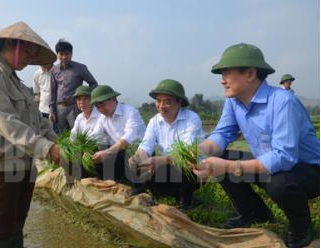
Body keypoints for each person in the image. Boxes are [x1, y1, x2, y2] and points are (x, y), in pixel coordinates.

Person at [191, 43, 319, 248]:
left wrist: (230, 167)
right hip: (273, 164)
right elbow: (223, 133)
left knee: (278, 183)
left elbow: (284, 158)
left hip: (308, 170)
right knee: (220, 157)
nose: (222, 80)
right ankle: (254, 213)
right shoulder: (234, 101)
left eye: (226, 73)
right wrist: (201, 150)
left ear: (250, 74)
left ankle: (301, 228)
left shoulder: (283, 101)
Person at [0, 22, 60, 247]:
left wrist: (60, 144)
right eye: (28, 50)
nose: (30, 57)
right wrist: (48, 149)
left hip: (25, 167)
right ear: (10, 43)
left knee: (16, 228)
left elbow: (39, 122)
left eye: (34, 53)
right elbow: (7, 123)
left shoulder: (17, 82)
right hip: (0, 168)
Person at [129, 79, 205, 208]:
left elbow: (187, 153)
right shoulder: (154, 121)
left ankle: (185, 201)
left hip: (191, 170)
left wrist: (161, 160)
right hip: (168, 169)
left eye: (167, 102)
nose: (161, 106)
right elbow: (147, 144)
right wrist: (139, 157)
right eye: (158, 101)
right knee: (137, 159)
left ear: (179, 102)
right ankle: (144, 189)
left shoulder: (191, 119)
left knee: (186, 163)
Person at [90, 85, 146, 182]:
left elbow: (128, 138)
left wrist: (107, 153)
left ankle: (137, 185)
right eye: (98, 107)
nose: (101, 109)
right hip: (119, 151)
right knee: (97, 153)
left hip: (138, 150)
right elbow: (95, 135)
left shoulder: (130, 112)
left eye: (103, 105)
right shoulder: (102, 118)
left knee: (122, 156)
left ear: (114, 99)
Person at [49, 39, 98, 133]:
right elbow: (53, 91)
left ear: (71, 54)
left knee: (78, 134)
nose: (64, 57)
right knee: (63, 135)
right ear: (57, 54)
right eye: (61, 54)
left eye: (66, 54)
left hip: (75, 107)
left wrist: (86, 97)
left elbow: (93, 84)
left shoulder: (80, 68)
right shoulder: (54, 70)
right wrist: (51, 110)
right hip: (60, 108)